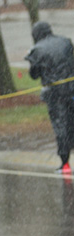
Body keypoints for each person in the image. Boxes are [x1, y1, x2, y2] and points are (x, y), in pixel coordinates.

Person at [26, 21, 74, 172]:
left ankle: (65, 162)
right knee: (71, 124)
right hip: (71, 91)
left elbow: (34, 74)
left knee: (61, 127)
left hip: (54, 95)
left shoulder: (37, 49)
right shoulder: (65, 42)